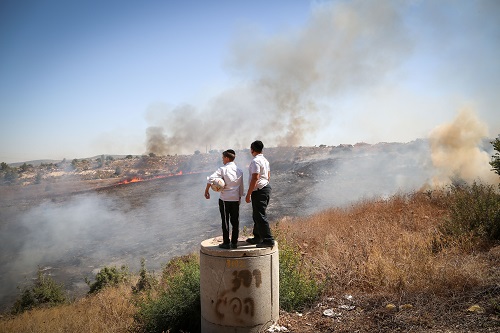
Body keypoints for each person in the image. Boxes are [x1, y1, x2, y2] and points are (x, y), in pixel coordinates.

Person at [205, 149, 244, 249]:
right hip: (235, 199)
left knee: (225, 221)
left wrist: (207, 190)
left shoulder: (222, 169)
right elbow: (241, 187)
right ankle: (234, 242)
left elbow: (210, 179)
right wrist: (239, 198)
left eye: (223, 158)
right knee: (235, 221)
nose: (222, 160)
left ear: (227, 158)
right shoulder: (239, 171)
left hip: (225, 200)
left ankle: (226, 243)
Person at [245, 140, 275, 247]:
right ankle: (257, 237)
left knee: (260, 215)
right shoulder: (265, 161)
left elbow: (255, 178)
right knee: (257, 215)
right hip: (265, 188)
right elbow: (268, 175)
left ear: (252, 150)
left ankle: (268, 240)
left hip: (259, 190)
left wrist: (248, 193)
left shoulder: (255, 161)